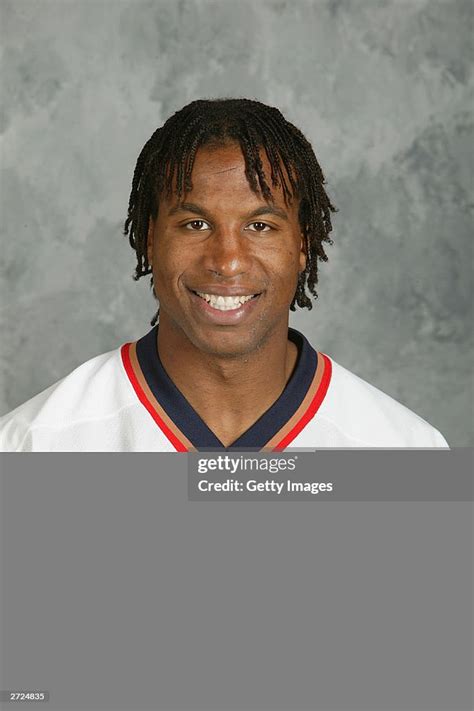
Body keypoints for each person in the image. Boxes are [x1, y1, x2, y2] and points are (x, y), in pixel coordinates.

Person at [0, 98, 448, 451]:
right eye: (196, 224)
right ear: (150, 239)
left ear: (303, 245)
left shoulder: (402, 450)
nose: (228, 260)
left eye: (260, 226)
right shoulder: (34, 446)